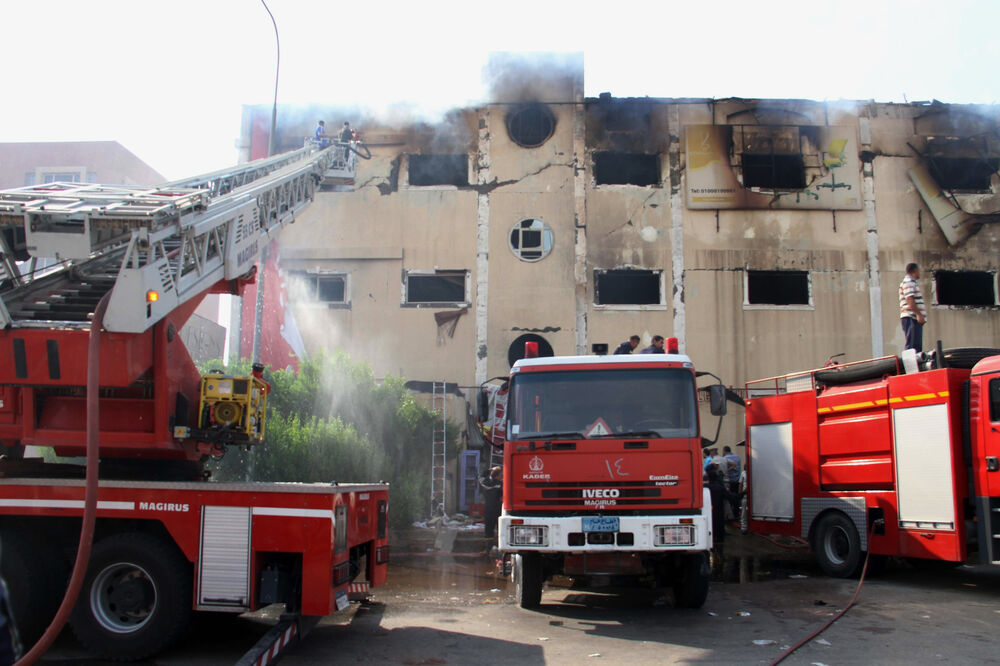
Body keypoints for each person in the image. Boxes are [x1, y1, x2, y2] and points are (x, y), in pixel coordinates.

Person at [706, 466, 736, 559]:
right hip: (718, 516)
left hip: (708, 516)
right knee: (719, 538)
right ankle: (719, 556)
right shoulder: (720, 488)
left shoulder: (705, 488)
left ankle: (710, 554)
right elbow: (730, 497)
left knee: (709, 536)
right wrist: (742, 494)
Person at [899, 262, 926, 352]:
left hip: (913, 317)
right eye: (918, 270)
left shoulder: (912, 282)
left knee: (916, 346)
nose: (919, 273)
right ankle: (910, 365)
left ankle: (915, 364)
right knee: (912, 346)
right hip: (911, 317)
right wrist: (919, 314)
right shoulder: (908, 282)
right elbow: (909, 299)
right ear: (915, 270)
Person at [480, 466, 502, 541]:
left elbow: (481, 475)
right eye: (500, 475)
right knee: (500, 529)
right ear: (497, 476)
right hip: (497, 509)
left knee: (489, 529)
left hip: (488, 509)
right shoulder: (500, 484)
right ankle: (500, 546)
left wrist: (491, 469)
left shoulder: (484, 482)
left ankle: (488, 548)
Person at [723, 445, 742, 517]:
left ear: (724, 451)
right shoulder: (737, 457)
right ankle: (737, 514)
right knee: (736, 497)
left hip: (729, 481)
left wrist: (727, 471)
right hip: (737, 481)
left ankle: (731, 515)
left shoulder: (725, 458)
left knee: (730, 498)